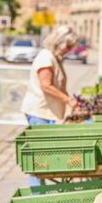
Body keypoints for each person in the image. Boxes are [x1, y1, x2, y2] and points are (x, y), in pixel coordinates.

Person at [21, 25, 79, 186]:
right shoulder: (46, 57)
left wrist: (70, 103)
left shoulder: (54, 57)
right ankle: (37, 194)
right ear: (59, 42)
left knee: (42, 157)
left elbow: (59, 87)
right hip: (40, 112)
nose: (69, 50)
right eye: (68, 46)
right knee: (39, 159)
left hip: (47, 113)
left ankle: (40, 192)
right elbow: (46, 85)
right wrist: (68, 100)